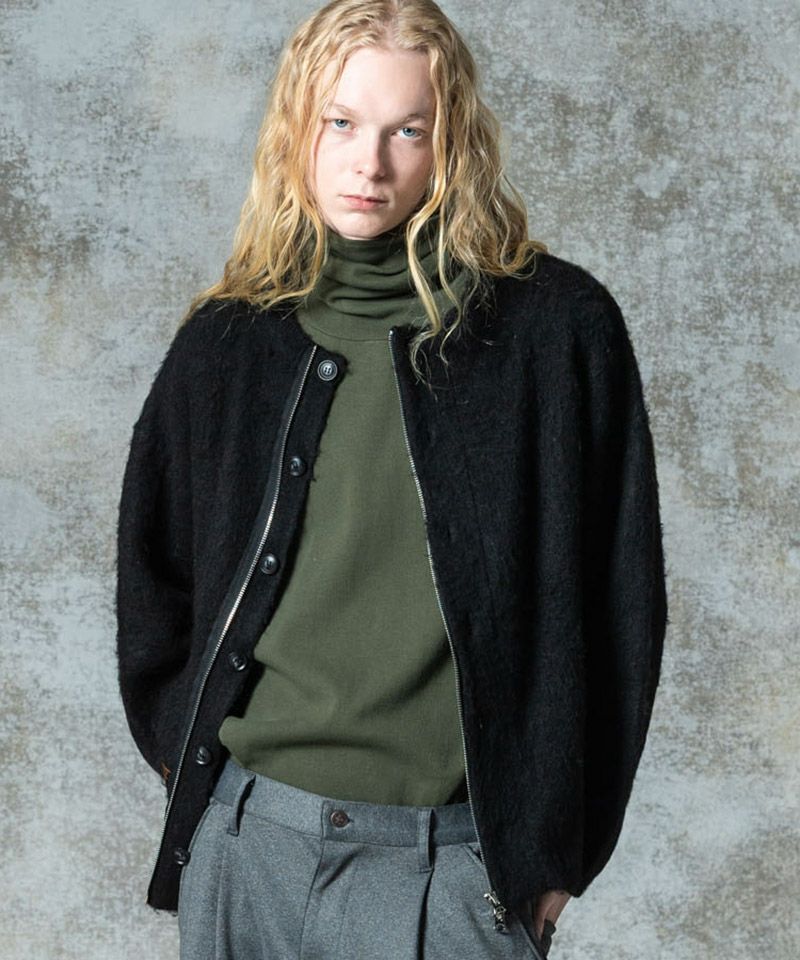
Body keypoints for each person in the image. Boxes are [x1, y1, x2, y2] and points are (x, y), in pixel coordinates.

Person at [115, 0, 668, 957]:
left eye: (407, 130)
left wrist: (556, 852)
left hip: (453, 868)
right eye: (341, 123)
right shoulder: (228, 340)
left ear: (451, 144)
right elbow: (152, 570)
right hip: (247, 849)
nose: (369, 164)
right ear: (297, 127)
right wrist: (192, 773)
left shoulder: (556, 334)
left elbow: (625, 606)